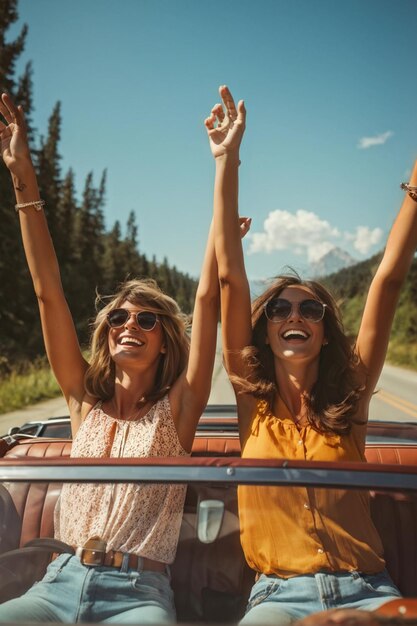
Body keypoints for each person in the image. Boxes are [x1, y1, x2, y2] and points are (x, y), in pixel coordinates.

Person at [0, 92, 248, 624]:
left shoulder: (179, 411)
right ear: (105, 335)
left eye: (145, 319)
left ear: (165, 341)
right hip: (58, 581)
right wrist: (23, 174)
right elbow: (48, 292)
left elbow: (207, 300)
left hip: (139, 594)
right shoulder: (82, 404)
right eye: (117, 318)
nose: (128, 325)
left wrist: (224, 176)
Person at [205, 85, 417, 625]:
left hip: (369, 589)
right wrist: (227, 160)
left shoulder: (351, 398)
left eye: (310, 310)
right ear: (266, 329)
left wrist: (415, 187)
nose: (294, 316)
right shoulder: (253, 403)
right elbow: (230, 278)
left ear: (324, 333)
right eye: (279, 309)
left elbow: (387, 282)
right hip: (278, 598)